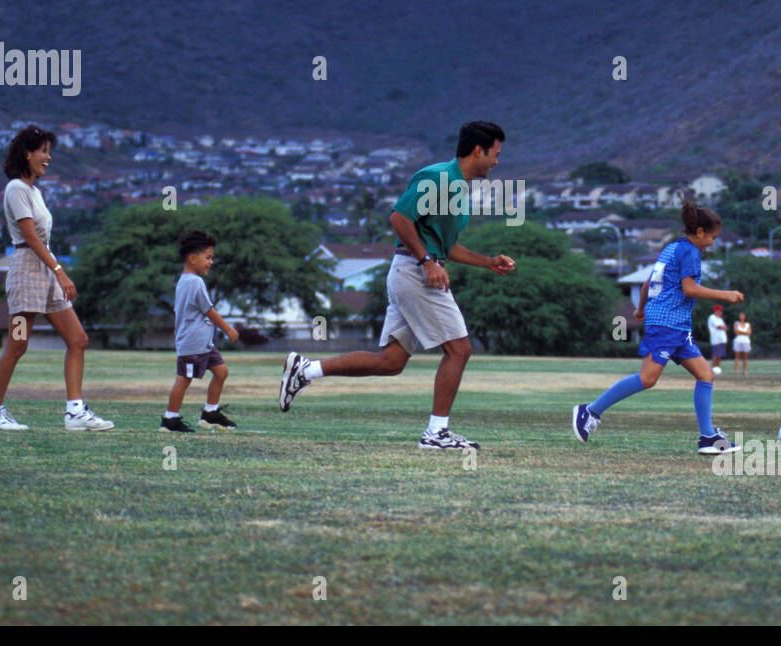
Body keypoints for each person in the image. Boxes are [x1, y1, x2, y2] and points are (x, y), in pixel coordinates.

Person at [278, 120, 516, 451]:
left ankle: (306, 370)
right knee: (459, 349)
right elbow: (399, 219)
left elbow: (445, 246)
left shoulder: (459, 188)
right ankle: (436, 434)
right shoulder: (438, 178)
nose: (497, 162)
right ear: (479, 151)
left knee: (391, 361)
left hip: (414, 271)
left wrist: (488, 262)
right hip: (416, 274)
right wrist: (426, 261)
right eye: (496, 154)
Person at [571, 201, 743, 454]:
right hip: (667, 325)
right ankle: (590, 410)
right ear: (699, 233)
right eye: (712, 238)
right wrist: (725, 295)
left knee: (706, 375)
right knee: (647, 378)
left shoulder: (671, 248)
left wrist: (640, 309)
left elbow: (647, 285)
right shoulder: (691, 253)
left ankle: (707, 437)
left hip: (675, 327)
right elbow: (690, 289)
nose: (713, 244)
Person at [0, 125, 113, 431]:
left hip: (45, 270)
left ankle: (75, 412)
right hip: (28, 272)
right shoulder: (15, 188)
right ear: (27, 154)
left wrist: (54, 272)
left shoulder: (34, 191)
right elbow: (29, 237)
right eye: (43, 151)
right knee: (17, 345)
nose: (48, 158)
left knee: (78, 339)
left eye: (49, 152)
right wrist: (60, 272)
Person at [162, 230, 241, 433]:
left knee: (221, 372)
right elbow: (209, 310)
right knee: (184, 380)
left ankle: (210, 413)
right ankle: (170, 420)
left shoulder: (185, 280)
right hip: (192, 344)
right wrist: (228, 329)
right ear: (192, 258)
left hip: (204, 344)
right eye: (208, 257)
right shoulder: (194, 282)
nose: (211, 262)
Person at [707, 305, 728, 374]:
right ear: (716, 311)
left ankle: (717, 368)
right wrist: (723, 327)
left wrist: (724, 327)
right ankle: (713, 368)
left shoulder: (720, 319)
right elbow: (719, 326)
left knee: (720, 355)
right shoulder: (712, 317)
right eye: (720, 311)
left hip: (722, 339)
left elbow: (725, 327)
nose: (721, 312)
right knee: (716, 355)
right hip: (716, 339)